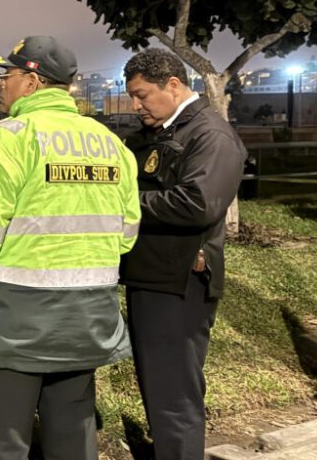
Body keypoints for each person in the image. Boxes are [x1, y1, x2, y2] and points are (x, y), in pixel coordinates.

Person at [0, 36, 141, 460]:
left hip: (15, 328)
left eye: (5, 75)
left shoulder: (3, 142)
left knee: (1, 443)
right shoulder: (113, 146)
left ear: (31, 82)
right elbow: (126, 234)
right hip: (88, 323)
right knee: (73, 439)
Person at [121, 48, 246, 460]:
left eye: (142, 95)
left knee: (174, 394)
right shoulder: (163, 132)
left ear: (173, 85)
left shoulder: (210, 134)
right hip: (153, 277)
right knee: (159, 388)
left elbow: (199, 203)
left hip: (180, 283)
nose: (135, 106)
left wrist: (124, 204)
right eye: (132, 97)